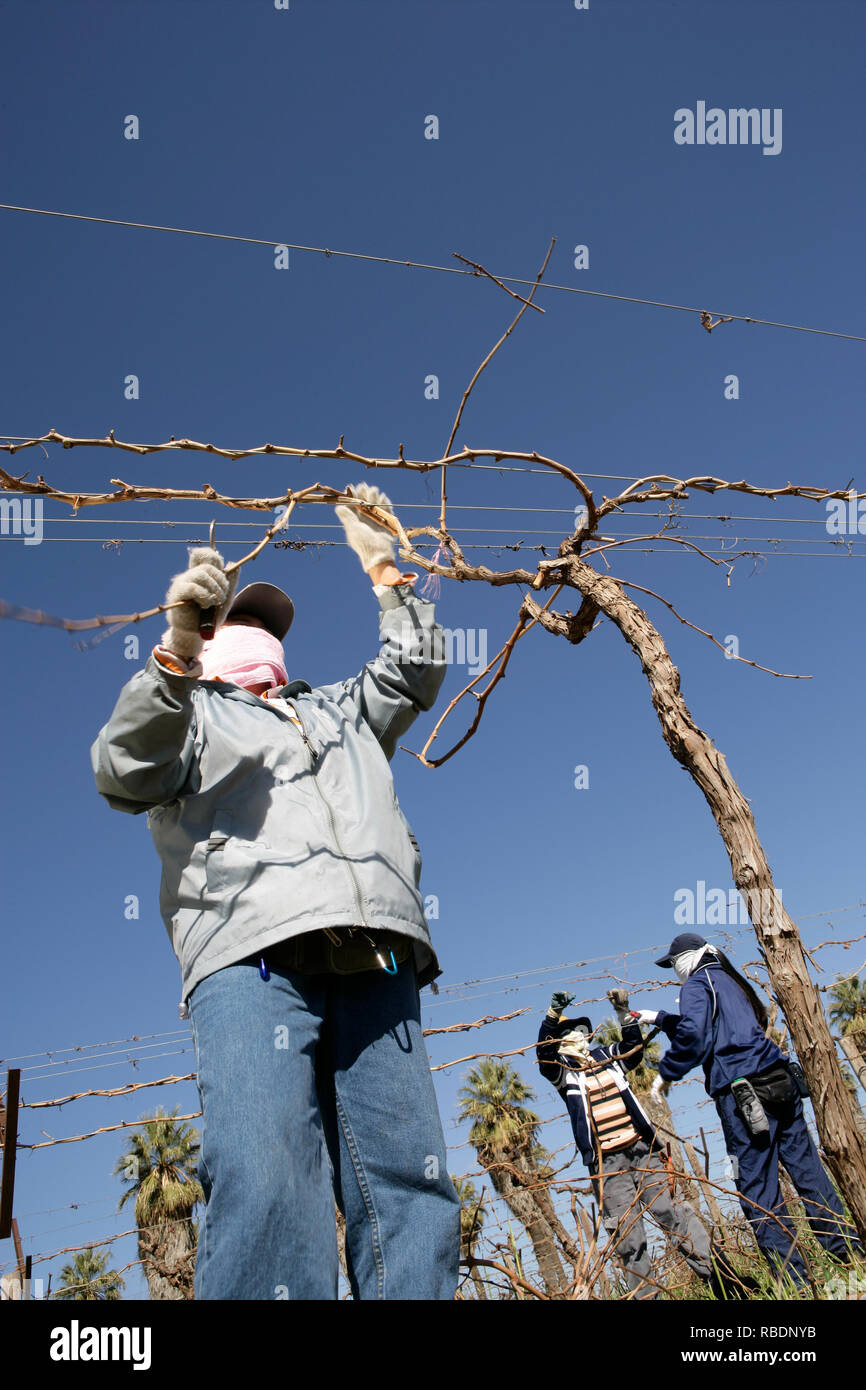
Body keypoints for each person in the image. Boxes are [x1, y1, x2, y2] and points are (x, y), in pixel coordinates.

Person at [91, 483, 460, 1301]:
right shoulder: (188, 717)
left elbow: (413, 673)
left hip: (375, 949)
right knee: (265, 1180)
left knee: (408, 1186)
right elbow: (122, 769)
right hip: (249, 958)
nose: (257, 636)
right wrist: (179, 651)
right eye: (238, 624)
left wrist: (384, 569)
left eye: (267, 628)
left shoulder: (335, 711)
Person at [651, 931, 863, 1285]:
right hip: (780, 1082)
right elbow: (733, 1027)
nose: (674, 969)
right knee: (808, 1171)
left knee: (757, 1189)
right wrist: (659, 1018)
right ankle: (848, 1256)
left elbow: (695, 1038)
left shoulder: (694, 986)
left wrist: (665, 1075)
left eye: (673, 963)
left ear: (688, 958)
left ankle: (797, 1281)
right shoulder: (733, 981)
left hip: (742, 1098)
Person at [537, 988, 742, 1299]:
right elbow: (544, 1057)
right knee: (629, 1238)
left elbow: (633, 1048)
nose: (575, 1035)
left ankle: (724, 1284)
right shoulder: (564, 1073)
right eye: (566, 1033)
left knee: (673, 1214)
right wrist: (552, 1016)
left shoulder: (608, 1057)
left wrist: (624, 1013)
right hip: (608, 1165)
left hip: (641, 1150)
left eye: (578, 1030)